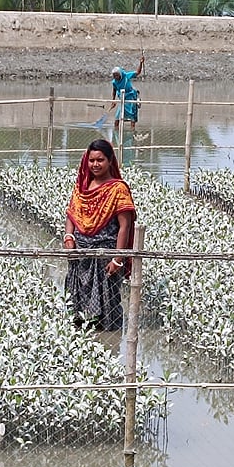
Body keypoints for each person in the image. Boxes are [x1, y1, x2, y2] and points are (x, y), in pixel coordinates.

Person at [62, 139, 136, 331]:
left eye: (100, 160)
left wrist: (118, 259)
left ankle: (109, 344)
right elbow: (72, 214)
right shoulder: (83, 186)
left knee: (107, 302)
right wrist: (68, 237)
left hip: (106, 255)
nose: (95, 164)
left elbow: (124, 226)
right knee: (77, 298)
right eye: (91, 160)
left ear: (110, 161)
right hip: (80, 255)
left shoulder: (118, 189)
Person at [109, 55, 145, 131]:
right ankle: (117, 133)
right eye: (114, 75)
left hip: (131, 98)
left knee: (132, 118)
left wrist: (141, 63)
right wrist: (113, 101)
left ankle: (132, 132)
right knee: (117, 119)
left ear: (120, 74)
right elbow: (114, 91)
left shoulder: (126, 76)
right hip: (122, 100)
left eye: (117, 75)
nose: (115, 77)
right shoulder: (114, 82)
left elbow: (137, 72)